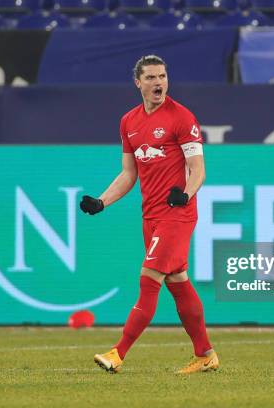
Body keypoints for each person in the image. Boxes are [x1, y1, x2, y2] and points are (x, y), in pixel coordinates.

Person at [80, 55, 218, 374]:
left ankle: (118, 353)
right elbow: (129, 174)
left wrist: (185, 193)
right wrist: (102, 202)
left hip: (177, 213)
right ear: (138, 83)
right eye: (152, 77)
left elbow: (198, 169)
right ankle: (205, 354)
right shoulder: (128, 121)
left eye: (163, 76)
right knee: (177, 281)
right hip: (151, 216)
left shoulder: (181, 117)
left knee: (150, 278)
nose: (159, 82)